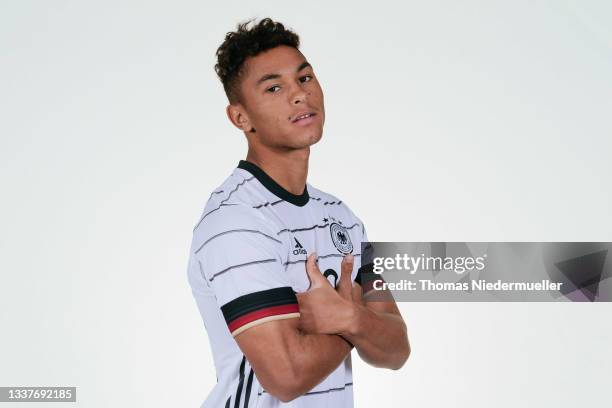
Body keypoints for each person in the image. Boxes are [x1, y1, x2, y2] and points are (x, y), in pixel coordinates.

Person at [187, 18, 410, 408]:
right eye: (274, 87)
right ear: (240, 118)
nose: (298, 95)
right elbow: (286, 377)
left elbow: (396, 349)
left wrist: (348, 318)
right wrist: (355, 319)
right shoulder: (235, 222)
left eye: (305, 79)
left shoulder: (342, 217)